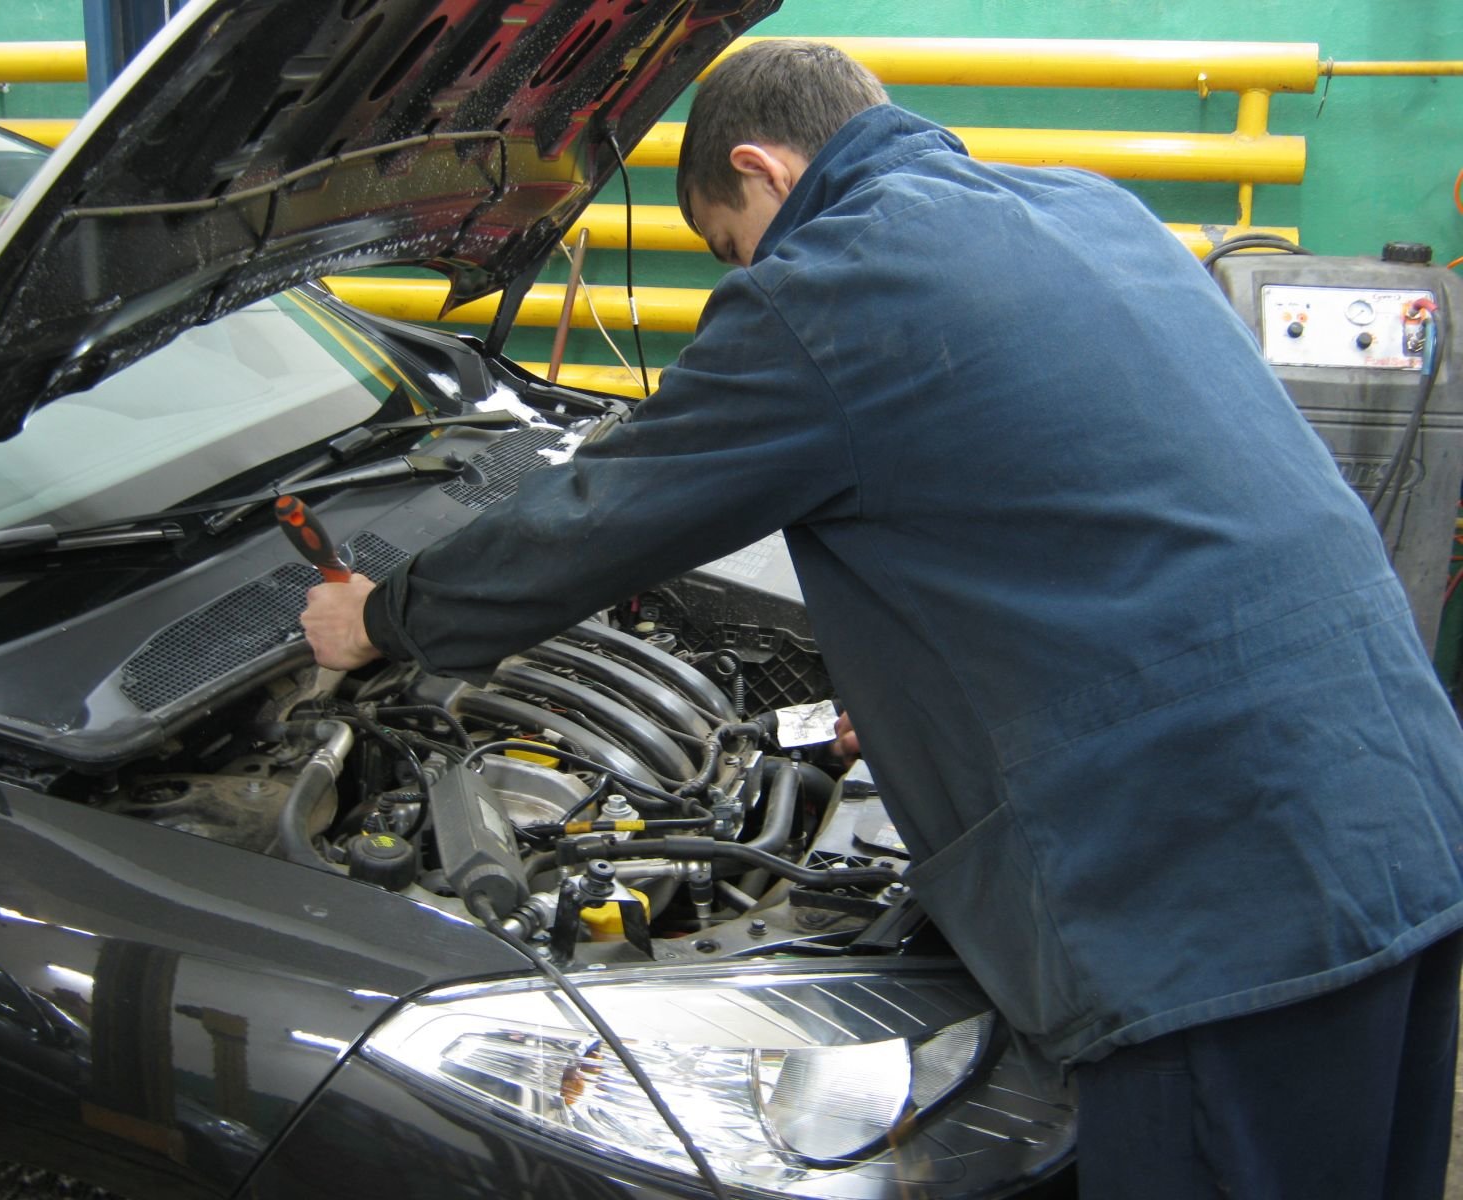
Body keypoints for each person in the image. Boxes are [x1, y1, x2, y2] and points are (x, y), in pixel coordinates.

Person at [302, 39, 1463, 1198]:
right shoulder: (1089, 211)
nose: (735, 275)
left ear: (758, 169)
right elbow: (1083, 513)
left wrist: (385, 619)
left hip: (1222, 910)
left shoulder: (827, 289)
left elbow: (593, 520)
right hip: (1399, 812)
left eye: (723, 244)